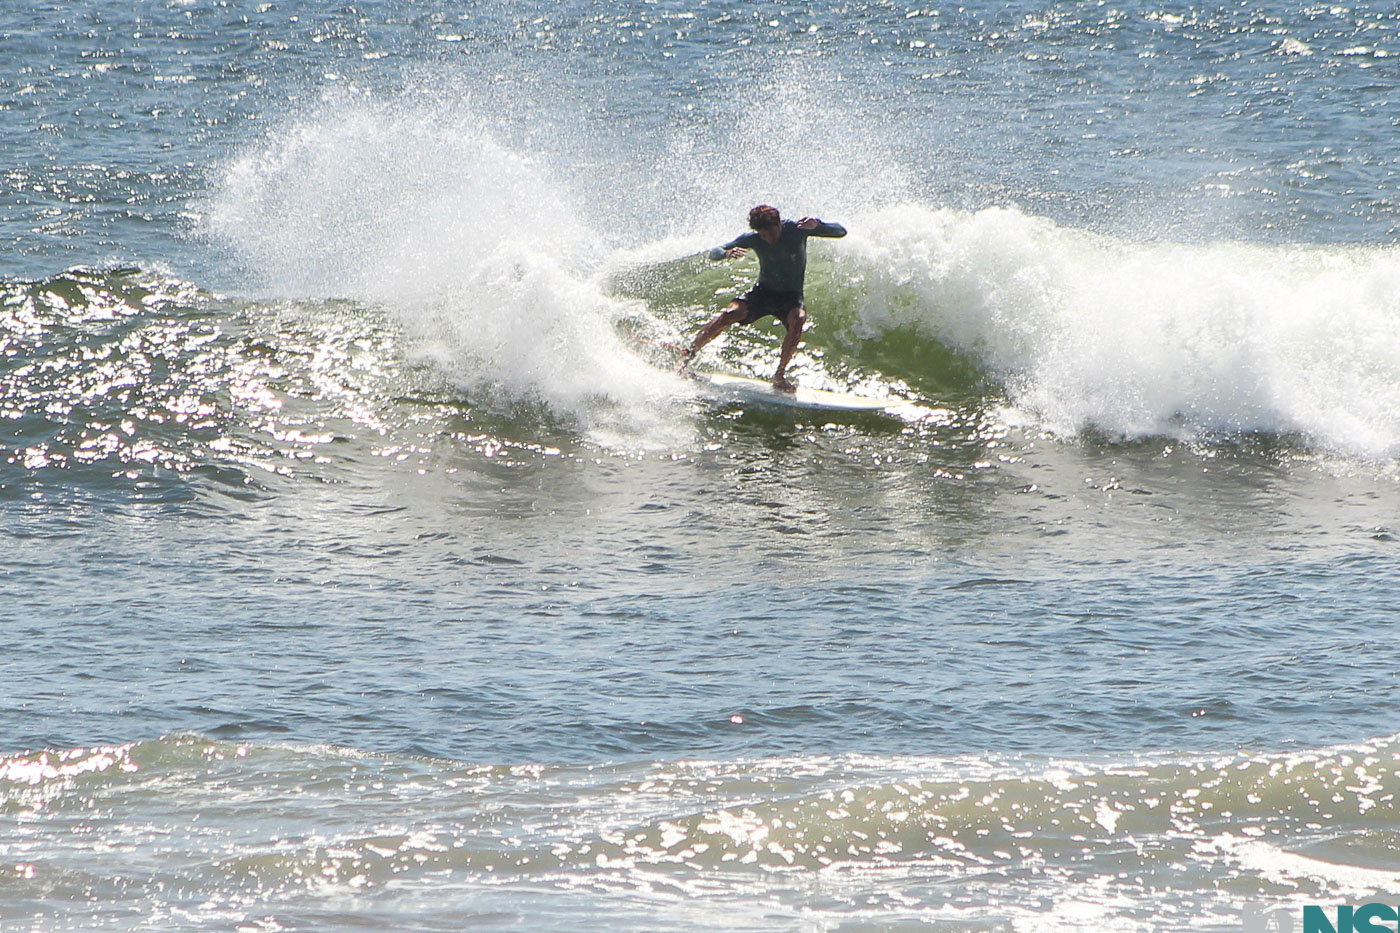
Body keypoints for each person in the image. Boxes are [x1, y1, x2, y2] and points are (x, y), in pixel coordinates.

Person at [680, 205, 847, 392]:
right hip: (763, 292)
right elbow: (715, 252)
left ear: (779, 224)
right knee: (729, 314)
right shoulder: (753, 239)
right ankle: (687, 356)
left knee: (798, 318)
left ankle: (779, 376)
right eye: (763, 235)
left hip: (791, 295)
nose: (768, 239)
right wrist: (726, 253)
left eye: (772, 233)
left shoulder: (797, 230)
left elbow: (841, 231)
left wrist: (818, 225)